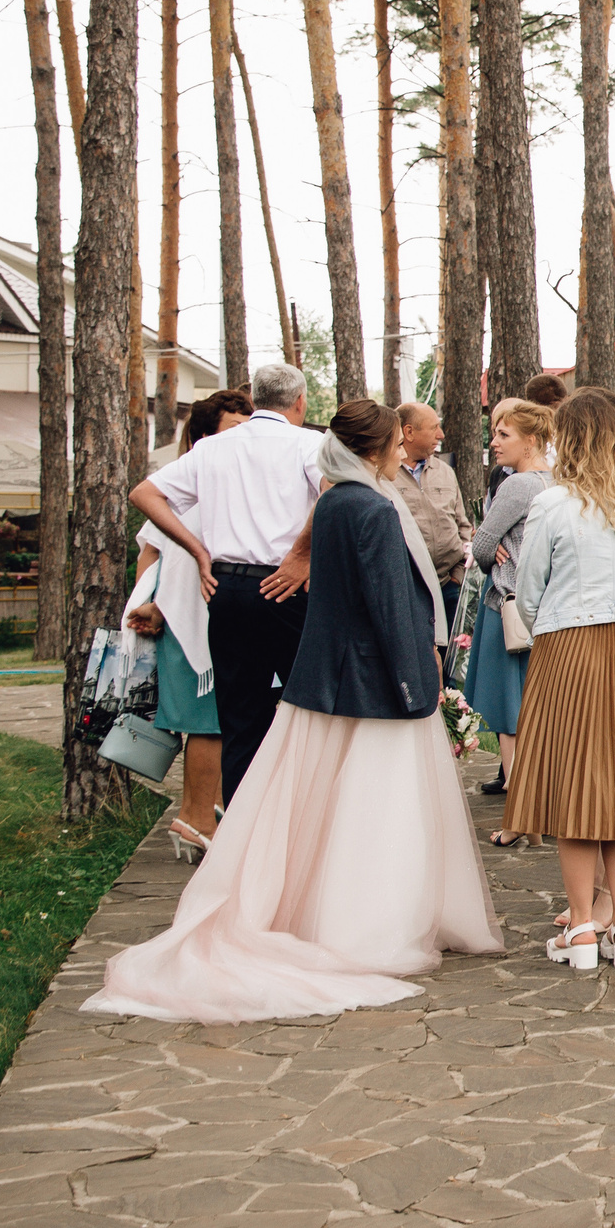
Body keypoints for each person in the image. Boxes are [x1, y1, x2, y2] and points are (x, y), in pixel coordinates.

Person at [86, 400, 504, 1023]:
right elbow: (391, 606)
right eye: (396, 444)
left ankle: (326, 913)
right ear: (374, 450)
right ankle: (372, 927)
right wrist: (419, 684)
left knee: (322, 792)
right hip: (377, 681)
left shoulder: (337, 503)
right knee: (380, 807)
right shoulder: (373, 508)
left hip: (324, 670)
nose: (402, 453)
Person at [502, 388, 615, 973]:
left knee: (573, 786)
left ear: (570, 441)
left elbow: (528, 592)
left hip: (567, 649)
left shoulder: (552, 505)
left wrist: (560, 622)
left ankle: (582, 927)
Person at [128, 362, 323, 805]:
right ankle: (299, 816)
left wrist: (198, 551)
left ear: (255, 400)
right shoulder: (309, 443)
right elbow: (334, 492)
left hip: (227, 590)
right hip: (286, 588)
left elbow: (144, 494)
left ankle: (240, 827)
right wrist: (301, 555)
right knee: (310, 710)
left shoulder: (212, 448)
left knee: (239, 721)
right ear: (300, 402)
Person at [124, 391, 251, 859]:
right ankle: (197, 820)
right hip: (187, 620)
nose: (244, 438)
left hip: (209, 614)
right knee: (207, 723)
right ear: (202, 437)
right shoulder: (188, 483)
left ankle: (203, 813)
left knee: (215, 723)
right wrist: (152, 606)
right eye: (233, 428)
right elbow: (152, 555)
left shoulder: (228, 482)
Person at [467, 398, 553, 817]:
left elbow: (482, 545)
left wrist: (493, 548)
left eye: (504, 434)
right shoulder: (556, 480)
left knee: (507, 707)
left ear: (530, 441)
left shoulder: (518, 485)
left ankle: (519, 804)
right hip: (542, 607)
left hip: (507, 608)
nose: (494, 442)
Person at [394, 402, 473, 634]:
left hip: (448, 586)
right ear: (409, 432)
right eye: (434, 427)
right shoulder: (385, 475)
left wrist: (458, 575)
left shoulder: (444, 471)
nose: (441, 435)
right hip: (408, 591)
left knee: (453, 655)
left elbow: (462, 525)